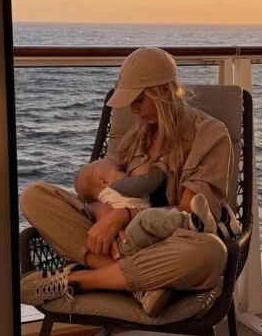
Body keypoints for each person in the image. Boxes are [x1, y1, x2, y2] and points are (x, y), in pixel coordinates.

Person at [20, 46, 231, 318]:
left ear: (163, 93)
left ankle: (79, 280)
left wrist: (125, 215)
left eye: (139, 100)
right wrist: (106, 215)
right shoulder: (136, 135)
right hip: (122, 248)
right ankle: (142, 286)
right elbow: (102, 193)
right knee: (34, 196)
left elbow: (189, 214)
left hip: (167, 247)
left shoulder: (210, 135)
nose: (133, 109)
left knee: (210, 253)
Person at [73, 156, 219, 256]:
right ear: (104, 182)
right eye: (120, 170)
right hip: (129, 236)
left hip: (127, 240)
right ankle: (193, 222)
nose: (127, 173)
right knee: (148, 218)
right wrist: (161, 164)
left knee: (152, 218)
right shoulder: (118, 186)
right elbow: (148, 182)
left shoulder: (104, 198)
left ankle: (213, 224)